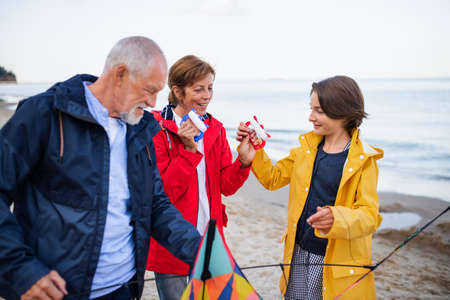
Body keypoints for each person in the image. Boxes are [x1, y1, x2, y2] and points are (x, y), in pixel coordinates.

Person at [0, 36, 202, 300]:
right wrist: (21, 271)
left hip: (123, 291)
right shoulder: (44, 114)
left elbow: (155, 206)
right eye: (149, 90)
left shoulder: (141, 129)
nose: (153, 102)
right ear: (120, 74)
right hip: (54, 293)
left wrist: (202, 251)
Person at [237, 76, 383, 300]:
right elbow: (273, 178)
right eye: (311, 109)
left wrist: (337, 218)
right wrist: (255, 152)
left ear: (343, 113)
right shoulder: (306, 150)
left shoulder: (364, 161)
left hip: (333, 260)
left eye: (320, 111)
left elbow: (369, 216)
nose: (311, 117)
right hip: (298, 250)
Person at [146, 55, 254, 300]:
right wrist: (188, 152)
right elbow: (163, 192)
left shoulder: (214, 129)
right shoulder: (156, 129)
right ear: (177, 91)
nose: (207, 95)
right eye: (198, 89)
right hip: (170, 239)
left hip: (210, 236)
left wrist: (243, 162)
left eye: (210, 88)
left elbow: (226, 186)